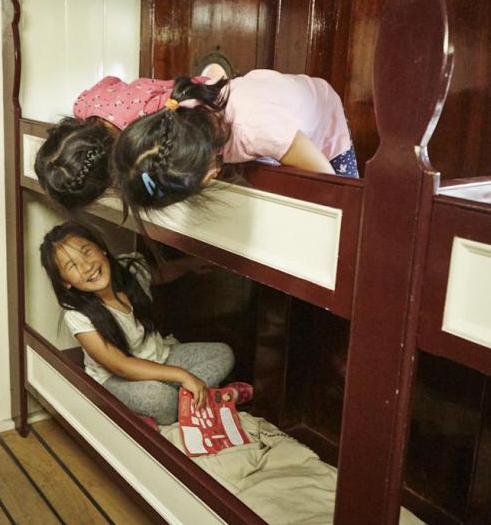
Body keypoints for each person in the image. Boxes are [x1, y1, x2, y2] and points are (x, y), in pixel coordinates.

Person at [40, 221, 246, 426]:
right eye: (73, 266)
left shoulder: (129, 270)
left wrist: (189, 264)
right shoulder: (77, 315)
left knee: (223, 353)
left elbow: (158, 273)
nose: (87, 266)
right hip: (118, 379)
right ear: (65, 281)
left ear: (102, 249)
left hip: (161, 358)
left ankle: (194, 400)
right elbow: (121, 366)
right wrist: (183, 376)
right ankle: (210, 398)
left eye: (86, 252)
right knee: (161, 399)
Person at [112, 68, 359, 223]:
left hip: (321, 114)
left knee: (348, 204)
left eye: (199, 184)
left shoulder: (256, 127)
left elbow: (328, 180)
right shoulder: (181, 116)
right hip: (267, 101)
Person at [34, 70, 219, 209]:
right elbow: (111, 80)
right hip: (195, 86)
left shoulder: (142, 139)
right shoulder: (83, 104)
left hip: (210, 99)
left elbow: (192, 134)